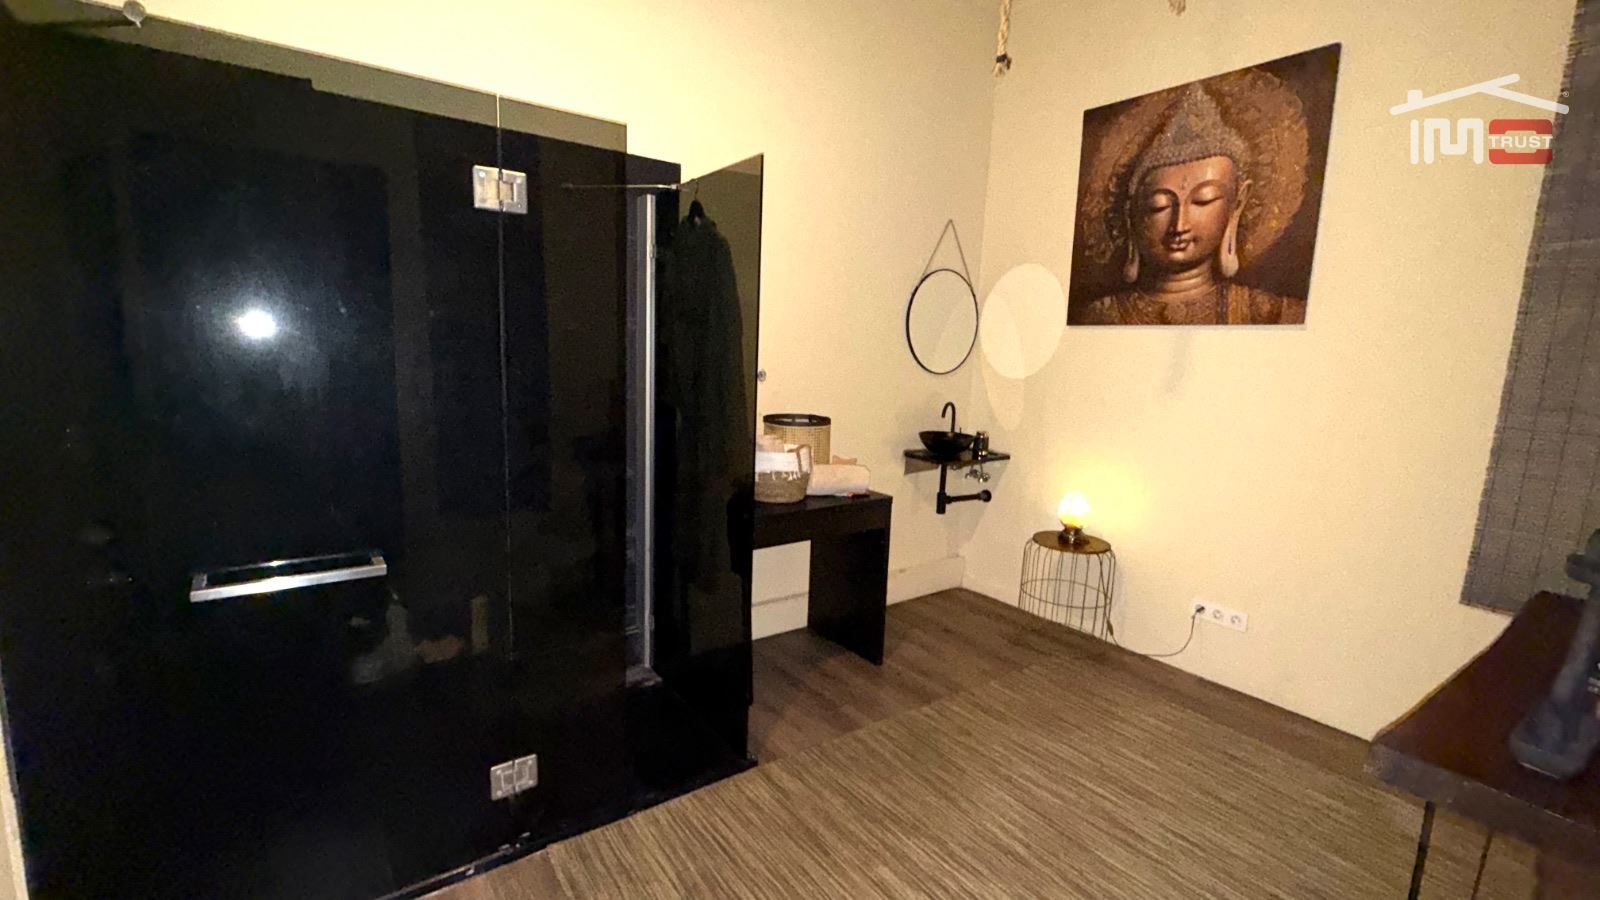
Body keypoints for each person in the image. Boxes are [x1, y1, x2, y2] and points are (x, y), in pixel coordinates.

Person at [1075, 84, 1306, 326]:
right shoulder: (1095, 317)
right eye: (1159, 206)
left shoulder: (1273, 314)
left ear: (1237, 204)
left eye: (1203, 200)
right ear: (1131, 213)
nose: (1179, 225)